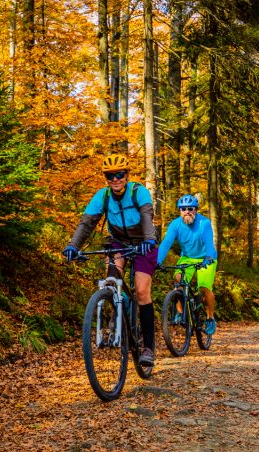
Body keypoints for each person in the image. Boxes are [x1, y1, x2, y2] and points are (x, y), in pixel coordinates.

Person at [62, 154, 159, 366]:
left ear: (127, 175)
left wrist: (149, 240)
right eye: (110, 175)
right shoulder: (103, 196)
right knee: (111, 282)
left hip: (144, 242)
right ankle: (117, 313)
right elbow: (87, 223)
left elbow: (147, 217)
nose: (115, 179)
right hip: (118, 242)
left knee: (142, 292)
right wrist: (73, 246)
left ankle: (149, 348)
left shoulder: (138, 192)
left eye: (119, 174)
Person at [157, 194, 218, 335]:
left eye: (190, 208)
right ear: (179, 211)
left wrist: (208, 257)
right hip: (187, 258)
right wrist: (157, 261)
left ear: (196, 210)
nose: (187, 211)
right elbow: (166, 244)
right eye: (183, 209)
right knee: (177, 281)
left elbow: (209, 243)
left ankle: (210, 318)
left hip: (206, 258)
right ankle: (180, 314)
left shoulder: (204, 223)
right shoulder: (175, 225)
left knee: (203, 288)